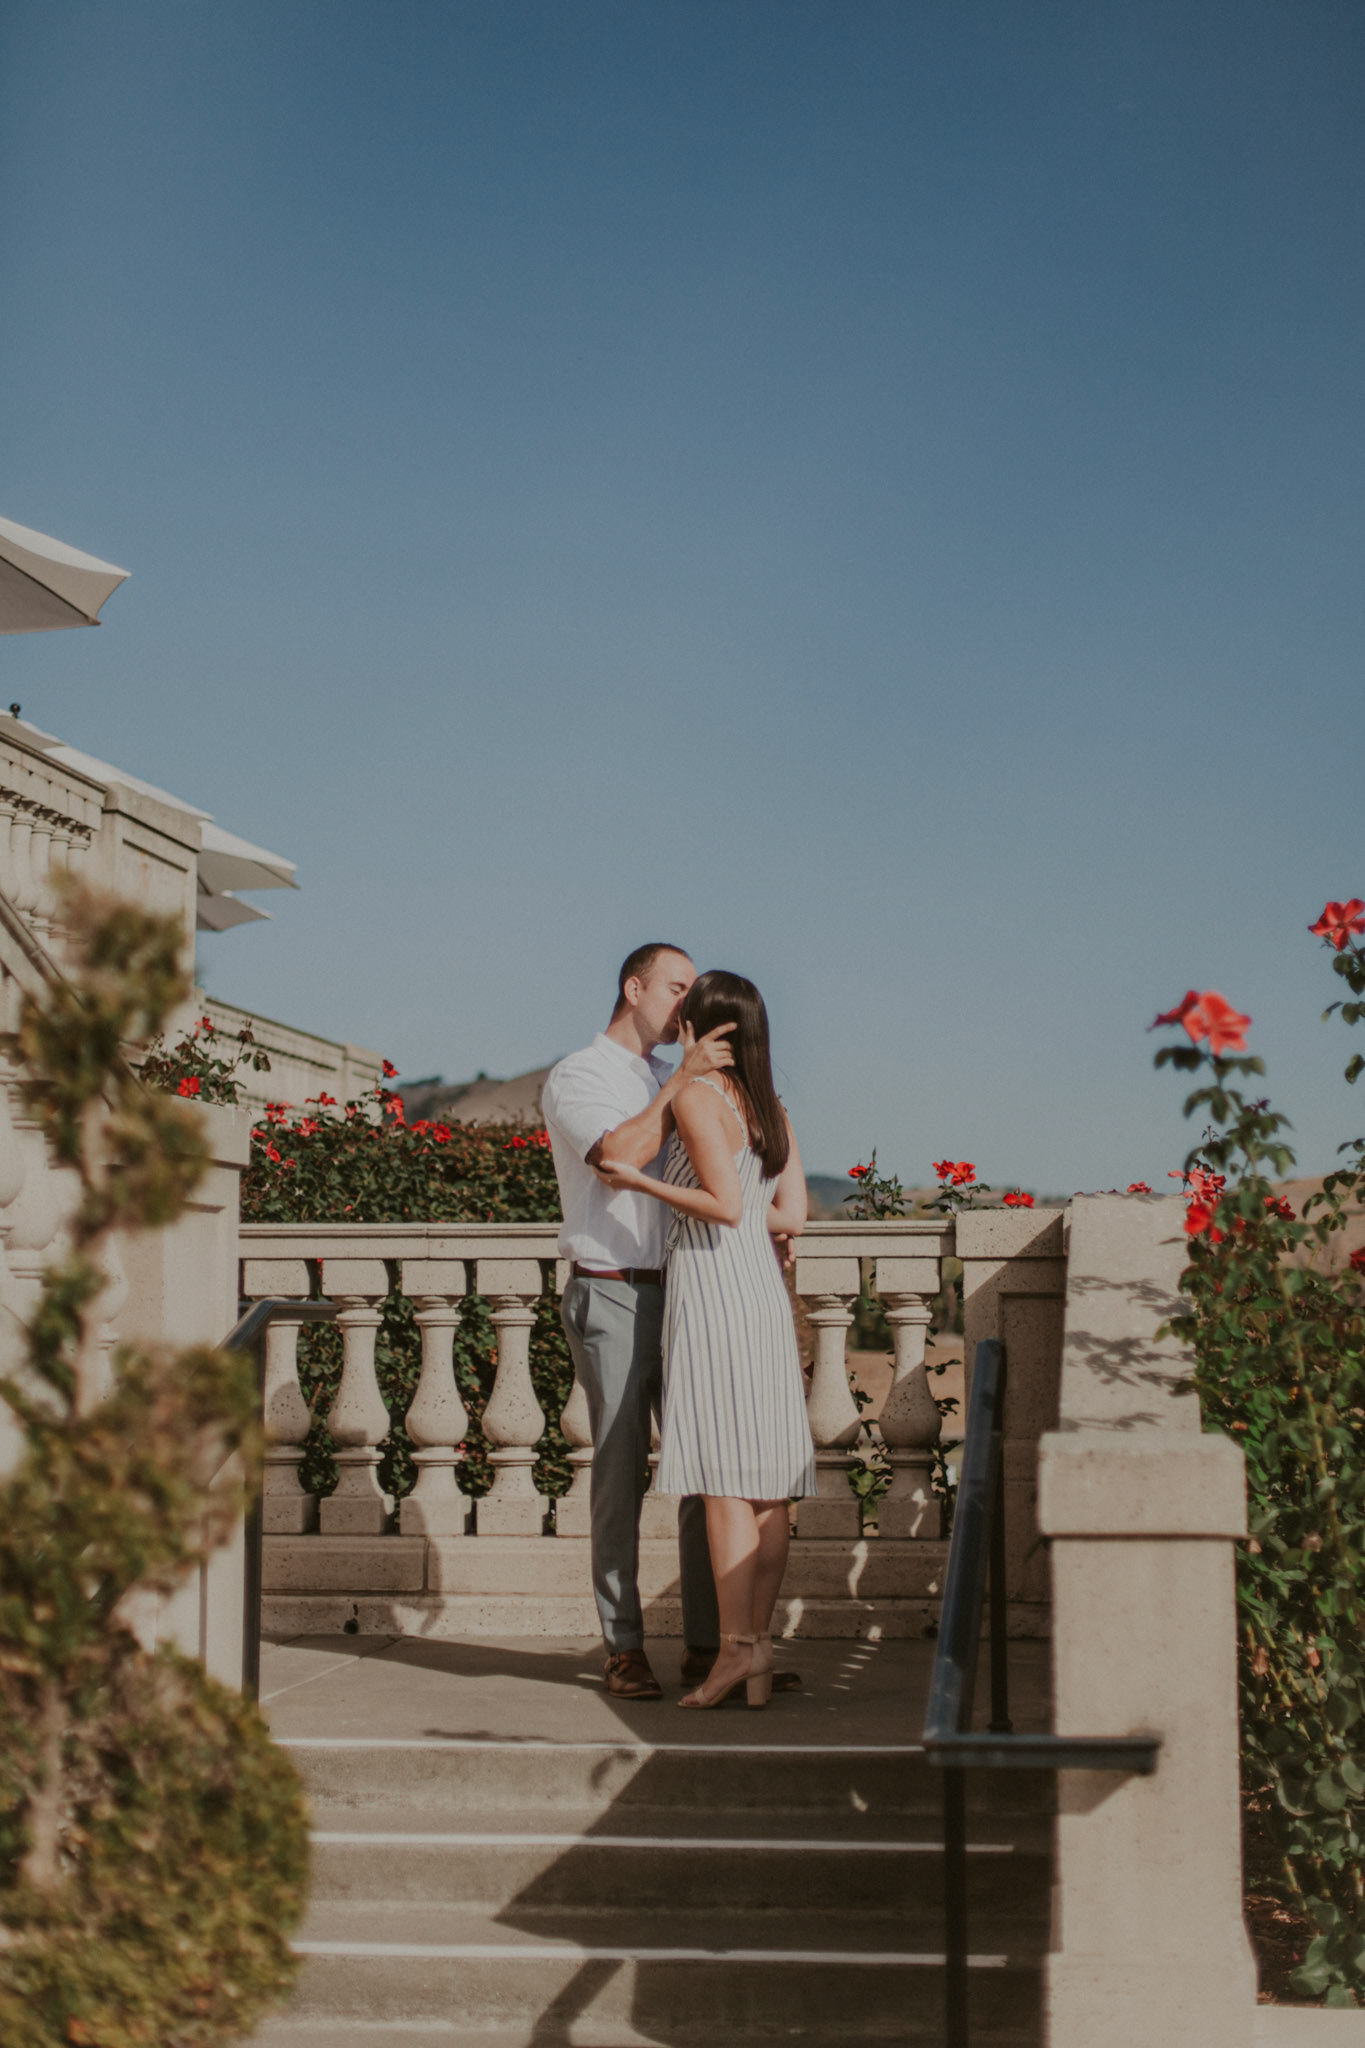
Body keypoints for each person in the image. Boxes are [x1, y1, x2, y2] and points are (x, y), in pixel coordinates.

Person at [597, 970, 815, 1710]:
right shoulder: (769, 1106)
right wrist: (741, 1213)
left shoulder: (695, 1096)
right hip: (758, 1287)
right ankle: (755, 1648)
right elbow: (789, 1215)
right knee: (767, 1485)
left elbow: (720, 1207)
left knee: (723, 1478)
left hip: (713, 1287)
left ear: (701, 1027)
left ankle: (729, 1653)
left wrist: (640, 1180)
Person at [542, 943, 734, 1699]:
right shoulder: (578, 1075)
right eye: (676, 988)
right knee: (620, 1470)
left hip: (689, 1287)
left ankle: (710, 1647)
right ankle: (623, 1647)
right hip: (611, 1288)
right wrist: (679, 1086)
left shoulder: (672, 1073)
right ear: (634, 987)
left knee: (701, 1466)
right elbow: (616, 1154)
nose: (687, 1004)